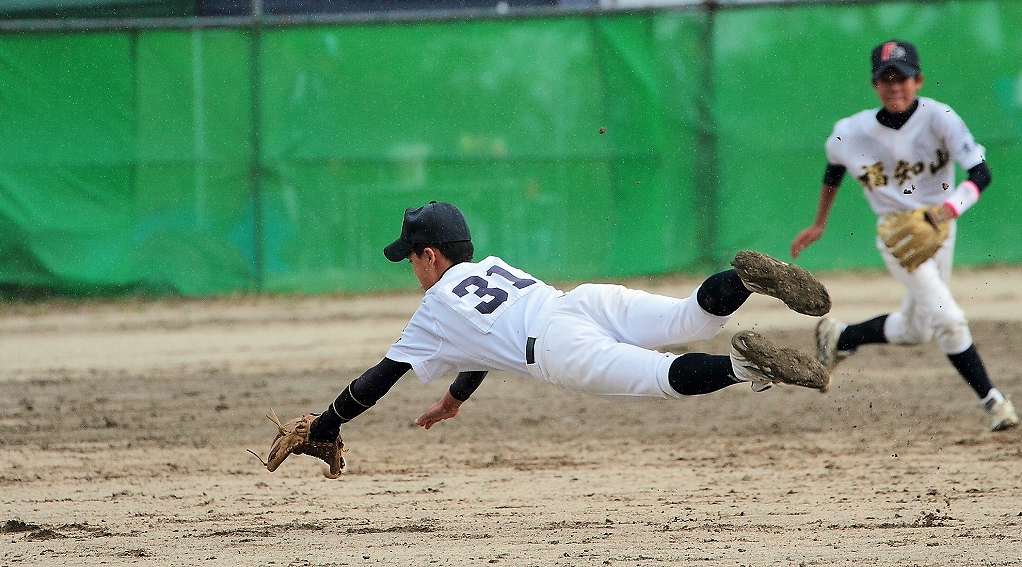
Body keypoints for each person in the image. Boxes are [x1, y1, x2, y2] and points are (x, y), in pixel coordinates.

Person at [267, 200, 833, 475]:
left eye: (409, 257)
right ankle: (745, 280)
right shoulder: (492, 266)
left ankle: (750, 370)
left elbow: (375, 382)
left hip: (560, 350)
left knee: (661, 378)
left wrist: (323, 426)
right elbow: (483, 344)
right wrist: (454, 399)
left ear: (430, 255)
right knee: (691, 319)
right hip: (581, 302)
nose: (409, 267)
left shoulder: (433, 308)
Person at [790, 39, 1018, 432]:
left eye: (903, 78)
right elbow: (834, 168)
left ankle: (841, 335)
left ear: (919, 80)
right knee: (949, 321)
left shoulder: (939, 118)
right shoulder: (851, 131)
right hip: (898, 236)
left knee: (918, 329)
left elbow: (981, 172)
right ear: (874, 85)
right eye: (886, 79)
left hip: (941, 226)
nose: (895, 86)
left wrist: (947, 211)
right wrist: (819, 222)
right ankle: (994, 402)